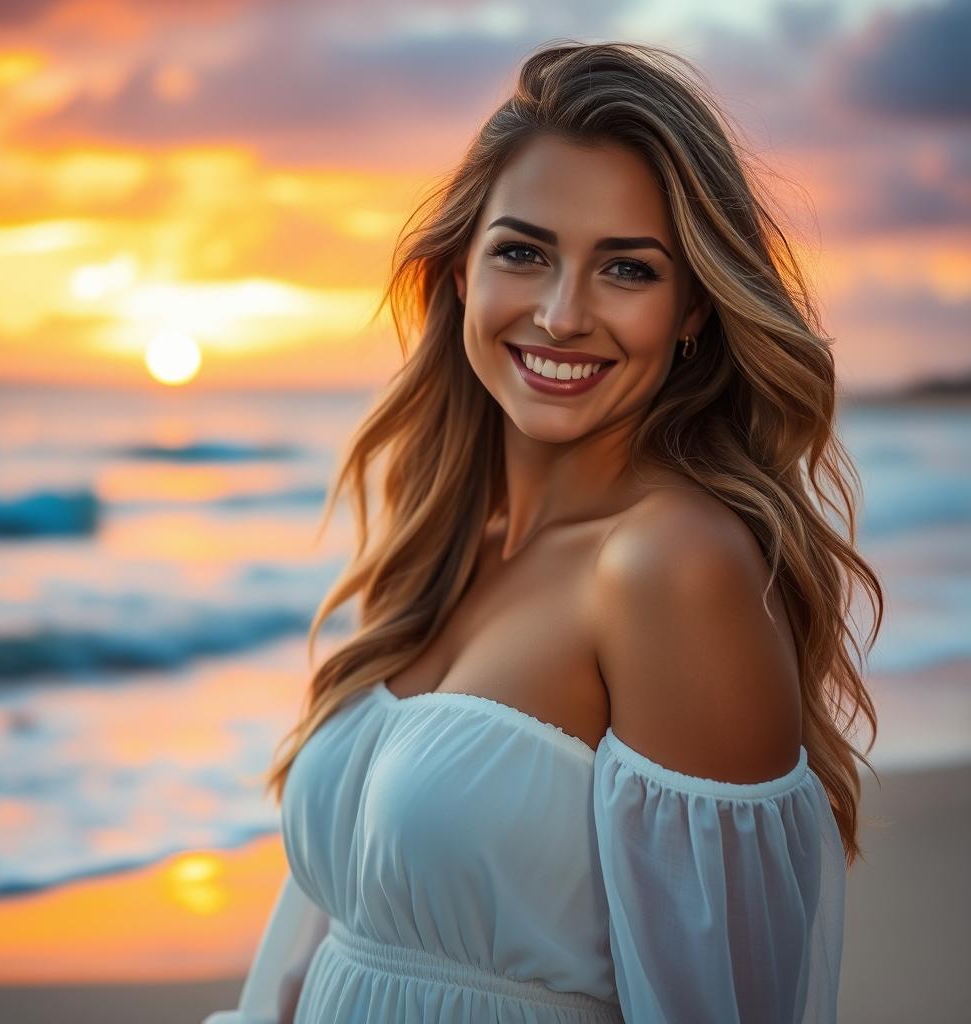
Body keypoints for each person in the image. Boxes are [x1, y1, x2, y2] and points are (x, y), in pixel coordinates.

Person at [205, 39, 882, 1024]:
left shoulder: (669, 566)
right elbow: (318, 955)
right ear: (458, 272)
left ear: (691, 306)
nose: (563, 315)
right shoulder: (443, 543)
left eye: (627, 269)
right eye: (523, 251)